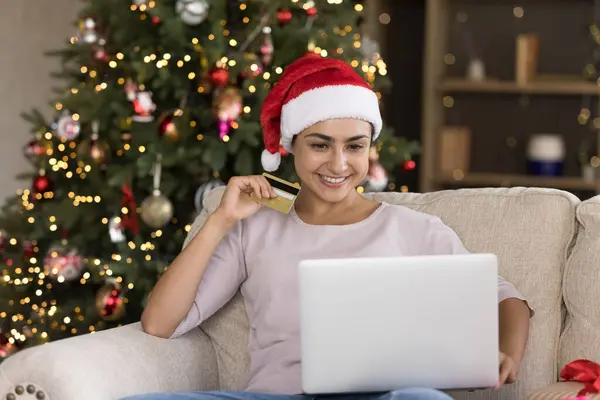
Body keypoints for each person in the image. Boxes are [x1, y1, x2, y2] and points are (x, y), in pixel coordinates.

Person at [123, 56, 533, 400]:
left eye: (354, 146)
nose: (338, 165)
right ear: (291, 146)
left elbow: (505, 297)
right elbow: (160, 323)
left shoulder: (414, 228)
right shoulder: (254, 227)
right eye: (320, 145)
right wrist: (220, 221)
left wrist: (506, 355)